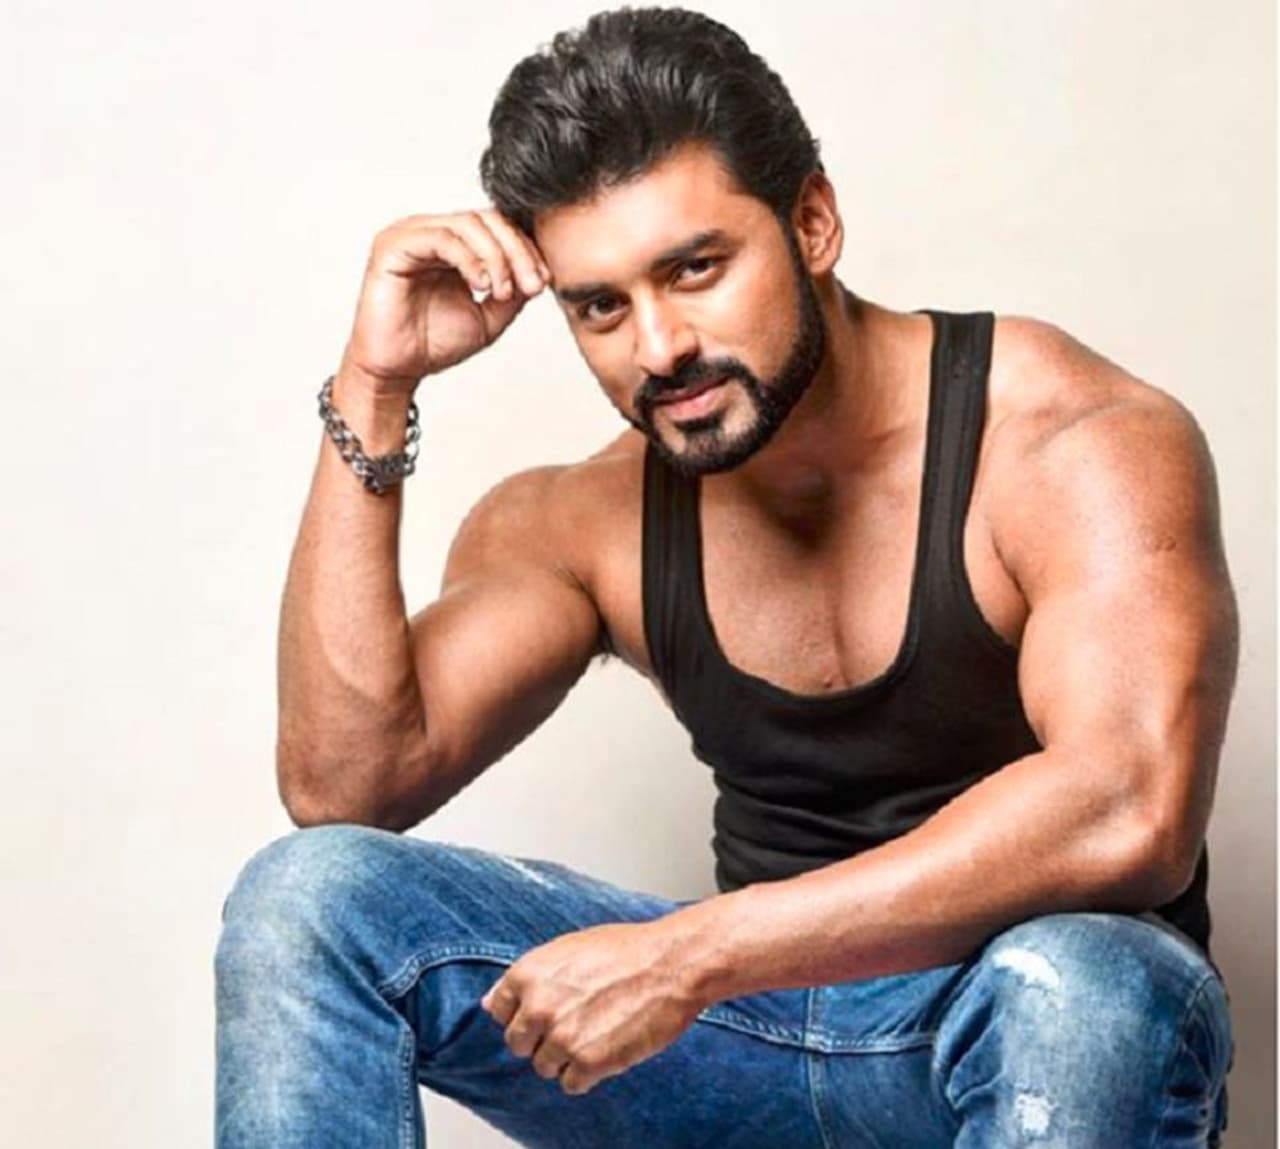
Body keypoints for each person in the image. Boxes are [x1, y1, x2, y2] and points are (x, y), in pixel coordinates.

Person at [214, 7, 1238, 1146]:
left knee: (1089, 983)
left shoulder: (1068, 441)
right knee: (307, 898)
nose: (658, 348)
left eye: (694, 269)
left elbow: (1128, 809)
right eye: (602, 306)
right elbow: (347, 788)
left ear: (812, 222)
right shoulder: (585, 518)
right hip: (750, 1049)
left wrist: (689, 956)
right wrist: (375, 385)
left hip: (1009, 1034)